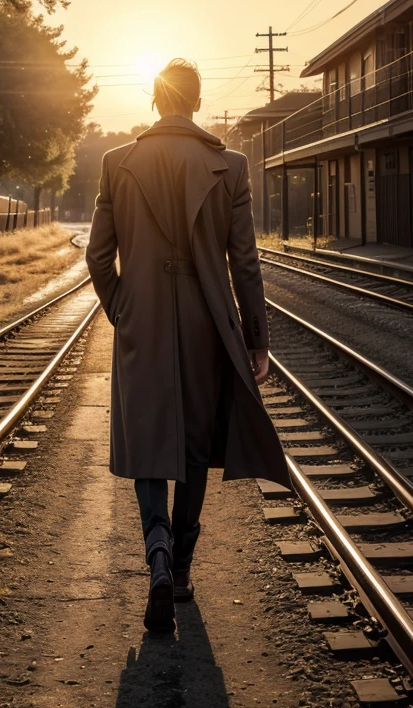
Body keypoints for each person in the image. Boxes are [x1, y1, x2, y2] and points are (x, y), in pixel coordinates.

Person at [86, 58, 289, 632]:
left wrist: (122, 307)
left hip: (141, 320)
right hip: (207, 323)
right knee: (195, 444)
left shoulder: (116, 163)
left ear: (155, 101)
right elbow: (244, 262)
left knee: (149, 438)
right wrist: (256, 340)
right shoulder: (230, 166)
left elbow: (98, 257)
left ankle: (154, 554)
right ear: (196, 103)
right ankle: (180, 570)